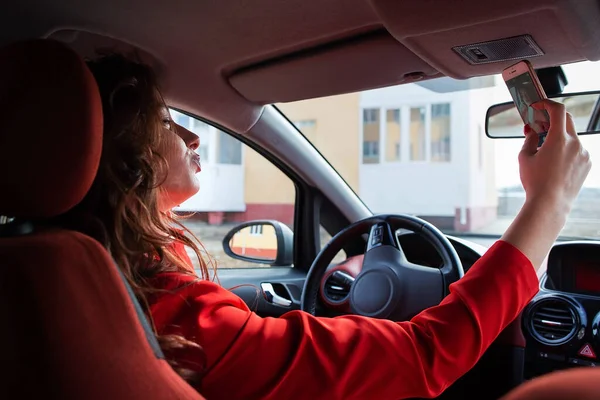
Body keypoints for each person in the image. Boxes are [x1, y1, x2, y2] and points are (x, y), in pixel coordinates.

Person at [68, 53, 591, 400]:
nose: (191, 136)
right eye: (164, 122)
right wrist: (549, 202)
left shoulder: (79, 283)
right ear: (127, 163)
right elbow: (424, 355)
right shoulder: (178, 317)